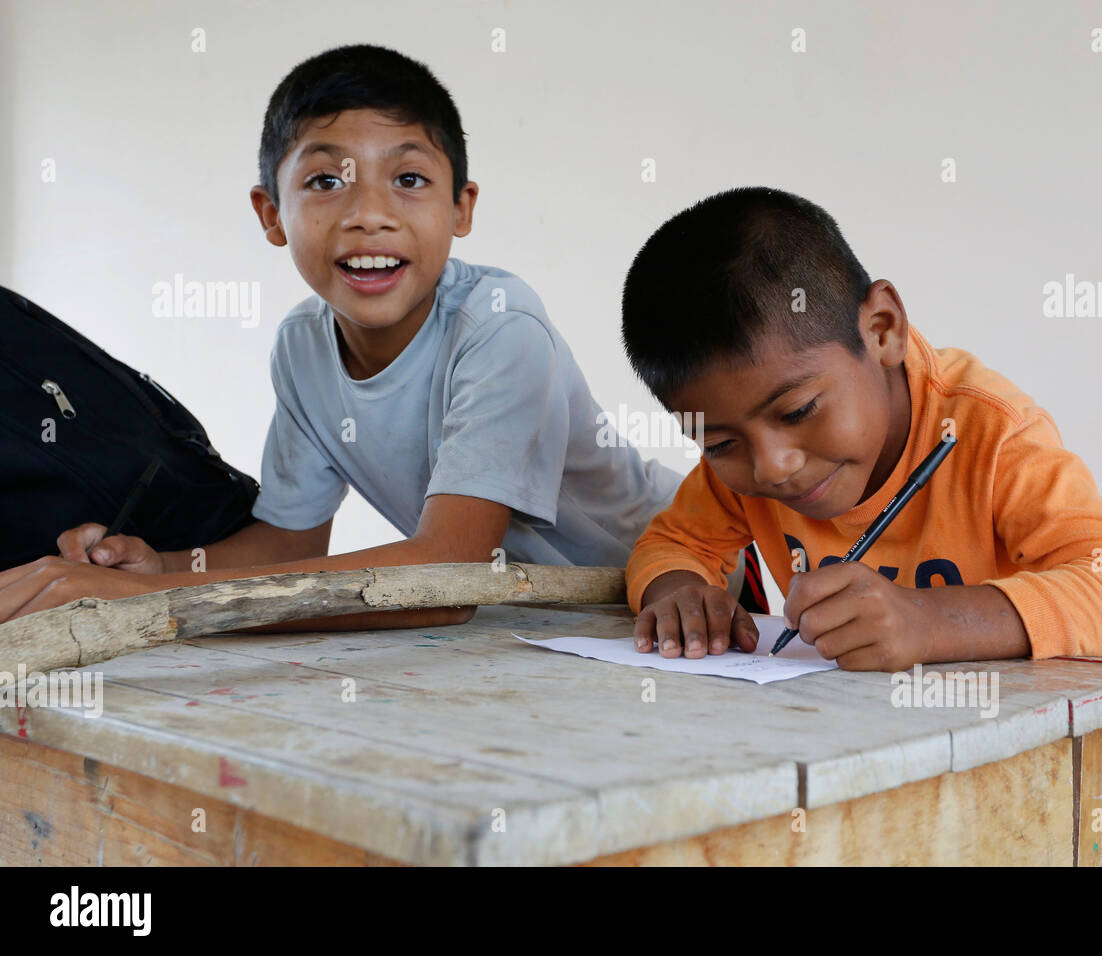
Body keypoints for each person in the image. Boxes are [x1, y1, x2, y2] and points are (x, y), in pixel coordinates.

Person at [0, 44, 679, 630]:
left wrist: (142, 599)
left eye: (408, 179)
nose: (369, 215)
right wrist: (160, 566)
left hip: (705, 577)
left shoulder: (499, 325)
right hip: (571, 629)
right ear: (271, 214)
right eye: (326, 181)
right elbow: (290, 539)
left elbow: (446, 578)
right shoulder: (302, 345)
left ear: (461, 207)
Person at [619, 186, 1102, 865]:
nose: (774, 466)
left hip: (1067, 765)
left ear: (881, 328)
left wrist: (929, 622)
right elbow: (674, 542)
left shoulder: (989, 434)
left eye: (797, 411)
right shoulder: (745, 463)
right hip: (895, 763)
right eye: (718, 443)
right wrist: (676, 591)